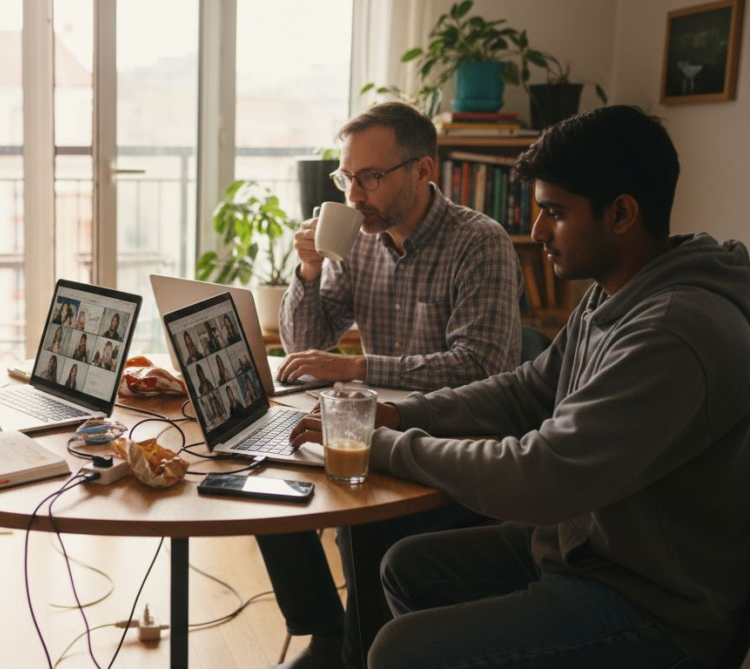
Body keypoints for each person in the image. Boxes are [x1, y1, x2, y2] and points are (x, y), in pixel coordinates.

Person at [289, 105, 750, 669]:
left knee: (398, 650)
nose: (535, 233)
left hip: (654, 603)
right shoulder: (616, 293)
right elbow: (528, 390)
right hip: (588, 548)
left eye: (554, 213)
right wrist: (400, 416)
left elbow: (544, 476)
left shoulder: (673, 331)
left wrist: (380, 445)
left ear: (622, 213)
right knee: (403, 567)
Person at [261, 101, 523, 669]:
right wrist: (307, 272)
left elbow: (480, 367)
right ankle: (327, 634)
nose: (355, 195)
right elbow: (306, 341)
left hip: (454, 446)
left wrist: (358, 368)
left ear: (424, 170)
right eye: (347, 178)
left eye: (371, 178)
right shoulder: (359, 240)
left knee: (364, 530)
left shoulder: (481, 244)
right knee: (260, 476)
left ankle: (363, 658)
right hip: (372, 429)